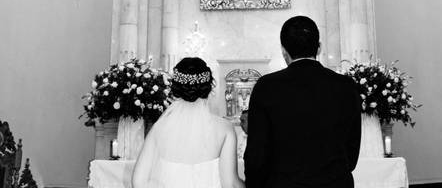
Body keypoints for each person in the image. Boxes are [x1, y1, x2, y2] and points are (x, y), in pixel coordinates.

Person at [244, 16, 361, 188]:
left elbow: (257, 156)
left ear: (283, 50)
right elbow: (351, 153)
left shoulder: (266, 87)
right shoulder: (345, 86)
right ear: (319, 47)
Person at [133, 57, 244, 188]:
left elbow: (138, 182)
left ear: (175, 87)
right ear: (208, 87)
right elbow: (230, 184)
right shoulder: (225, 129)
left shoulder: (160, 128)